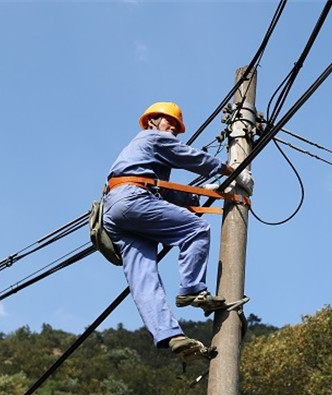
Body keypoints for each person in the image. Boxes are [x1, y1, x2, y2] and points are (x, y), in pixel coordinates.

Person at [102, 102, 253, 362]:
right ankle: (192, 289)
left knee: (143, 278)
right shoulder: (151, 137)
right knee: (195, 229)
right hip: (132, 199)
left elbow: (167, 193)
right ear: (151, 122)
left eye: (176, 125)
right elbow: (188, 157)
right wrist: (230, 170)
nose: (172, 127)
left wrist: (214, 189)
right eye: (167, 121)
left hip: (117, 211)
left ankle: (171, 336)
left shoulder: (145, 160)